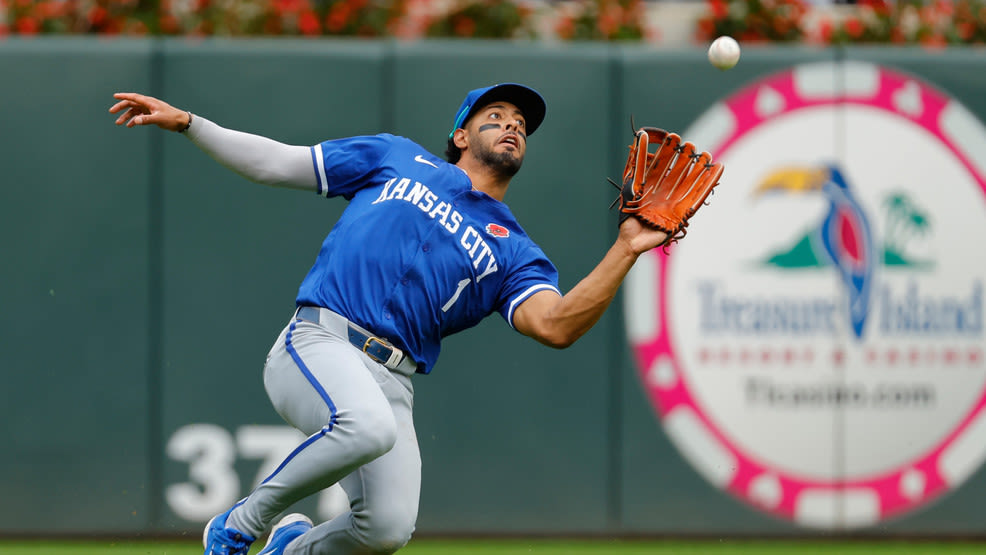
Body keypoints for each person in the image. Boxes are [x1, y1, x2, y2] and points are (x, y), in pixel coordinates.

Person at [109, 83, 670, 555]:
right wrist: (189, 123)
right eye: (494, 116)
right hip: (319, 341)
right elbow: (277, 163)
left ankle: (290, 548)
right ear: (460, 135)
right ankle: (239, 526)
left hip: (393, 380)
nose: (512, 126)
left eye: (522, 122)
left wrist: (625, 248)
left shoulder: (515, 250)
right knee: (366, 427)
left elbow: (556, 325)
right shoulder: (397, 156)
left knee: (386, 530)